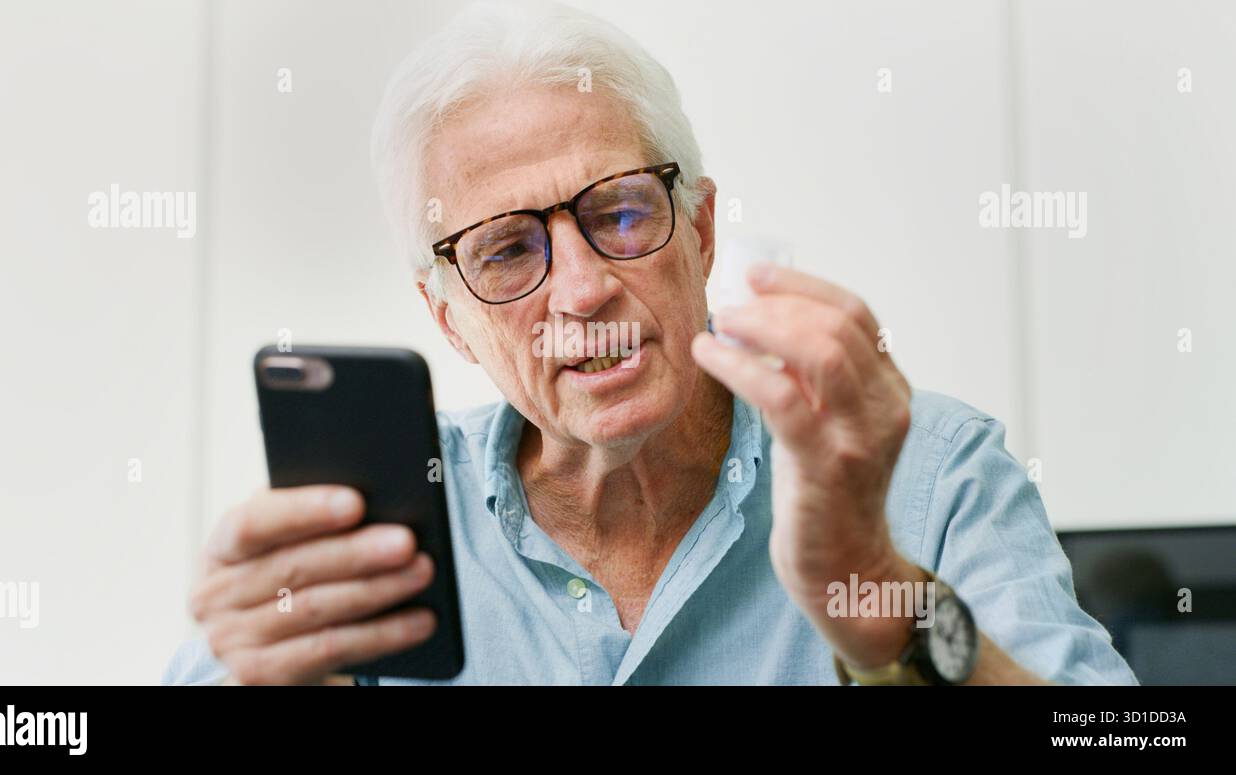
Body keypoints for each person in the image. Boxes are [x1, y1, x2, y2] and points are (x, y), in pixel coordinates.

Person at [162, 1, 1136, 686]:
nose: (583, 288)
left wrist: (877, 591)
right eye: (506, 250)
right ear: (448, 316)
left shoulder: (926, 470)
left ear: (701, 232)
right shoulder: (363, 539)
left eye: (619, 213)